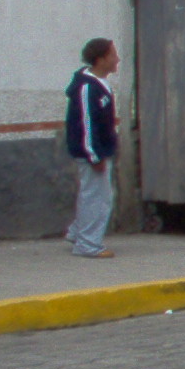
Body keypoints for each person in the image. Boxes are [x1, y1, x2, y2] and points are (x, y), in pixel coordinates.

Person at [65, 37, 120, 258]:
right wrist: (94, 155)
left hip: (99, 151)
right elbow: (86, 123)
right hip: (91, 154)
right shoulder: (88, 88)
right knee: (96, 197)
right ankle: (87, 244)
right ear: (100, 59)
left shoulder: (99, 84)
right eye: (113, 55)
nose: (117, 59)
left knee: (95, 194)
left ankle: (77, 232)